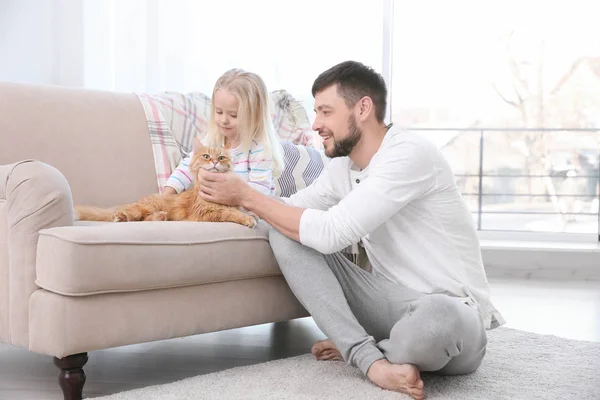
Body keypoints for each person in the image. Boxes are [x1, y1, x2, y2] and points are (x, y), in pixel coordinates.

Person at [195, 60, 504, 400]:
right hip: (384, 301)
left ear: (362, 109)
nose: (316, 125)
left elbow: (331, 233)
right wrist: (231, 201)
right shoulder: (341, 167)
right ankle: (371, 358)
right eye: (315, 113)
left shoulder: (409, 155)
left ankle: (361, 347)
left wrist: (247, 195)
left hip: (453, 309)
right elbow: (289, 209)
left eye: (326, 112)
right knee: (284, 231)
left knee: (436, 320)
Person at [163, 68, 284, 197]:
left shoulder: (259, 149)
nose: (224, 120)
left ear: (254, 116)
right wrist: (168, 193)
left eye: (233, 115)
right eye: (219, 112)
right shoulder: (213, 138)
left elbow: (260, 193)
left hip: (250, 210)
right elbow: (188, 165)